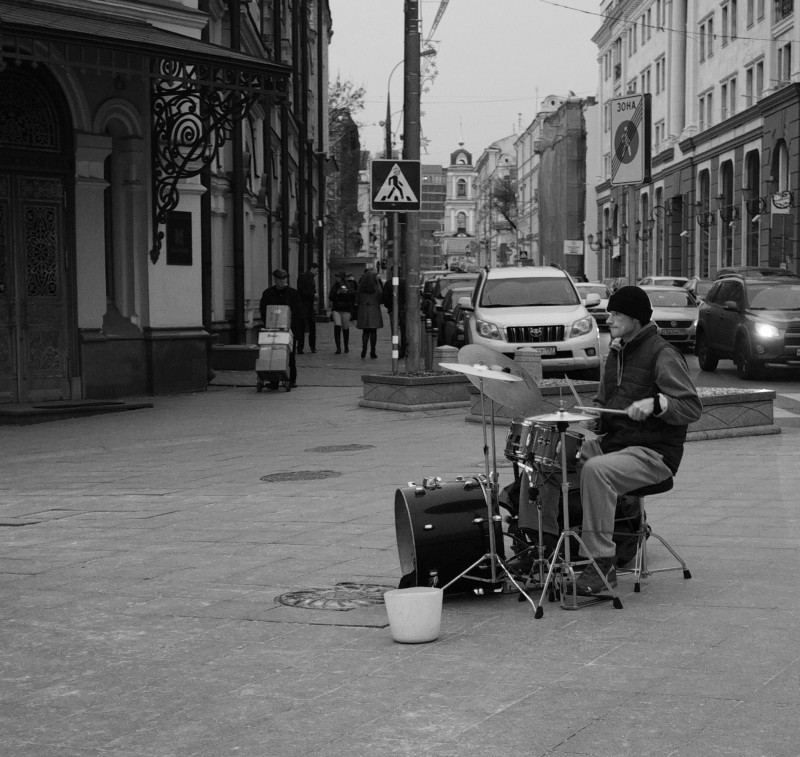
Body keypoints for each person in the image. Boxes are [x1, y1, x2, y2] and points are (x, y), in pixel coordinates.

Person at [536, 285, 702, 596]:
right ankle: (542, 549)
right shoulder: (615, 351)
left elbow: (692, 408)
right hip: (617, 444)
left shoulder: (662, 353)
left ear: (636, 319)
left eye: (617, 314)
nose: (609, 318)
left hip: (654, 453)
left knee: (597, 470)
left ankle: (601, 566)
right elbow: (605, 408)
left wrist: (658, 403)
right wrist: (595, 418)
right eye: (610, 312)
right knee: (550, 458)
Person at [259, 269, 300, 387]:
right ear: (274, 279)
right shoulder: (268, 293)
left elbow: (297, 312)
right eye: (278, 279)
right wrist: (267, 323)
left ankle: (292, 380)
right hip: (272, 329)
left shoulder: (293, 293)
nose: (280, 282)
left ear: (286, 279)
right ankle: (274, 380)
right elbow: (263, 310)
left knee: (290, 354)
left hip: (289, 329)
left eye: (282, 279)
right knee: (272, 353)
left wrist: (294, 328)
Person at [355, 269, 383, 359]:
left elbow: (357, 299)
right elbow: (380, 297)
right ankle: (373, 351)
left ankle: (364, 348)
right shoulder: (376, 287)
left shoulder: (361, 287)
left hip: (363, 309)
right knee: (373, 331)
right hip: (374, 309)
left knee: (365, 331)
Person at [381, 271, 407, 358]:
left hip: (393, 310)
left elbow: (385, 297)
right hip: (404, 310)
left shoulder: (388, 283)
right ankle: (403, 350)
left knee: (395, 332)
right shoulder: (405, 282)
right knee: (404, 331)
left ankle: (397, 349)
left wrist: (389, 307)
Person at [328, 271, 355, 354]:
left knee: (345, 328)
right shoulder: (334, 287)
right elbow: (331, 297)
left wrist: (346, 292)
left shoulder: (348, 285)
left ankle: (346, 346)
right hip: (336, 308)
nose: (337, 279)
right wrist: (338, 293)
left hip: (345, 309)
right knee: (337, 326)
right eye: (336, 277)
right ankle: (338, 347)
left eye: (338, 277)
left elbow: (352, 295)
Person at [296, 262, 319, 353]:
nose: (317, 272)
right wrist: (313, 296)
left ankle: (307, 347)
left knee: (309, 326)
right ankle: (303, 347)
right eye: (316, 270)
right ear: (312, 268)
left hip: (308, 305)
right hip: (304, 305)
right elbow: (302, 291)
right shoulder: (304, 277)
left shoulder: (310, 278)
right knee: (304, 326)